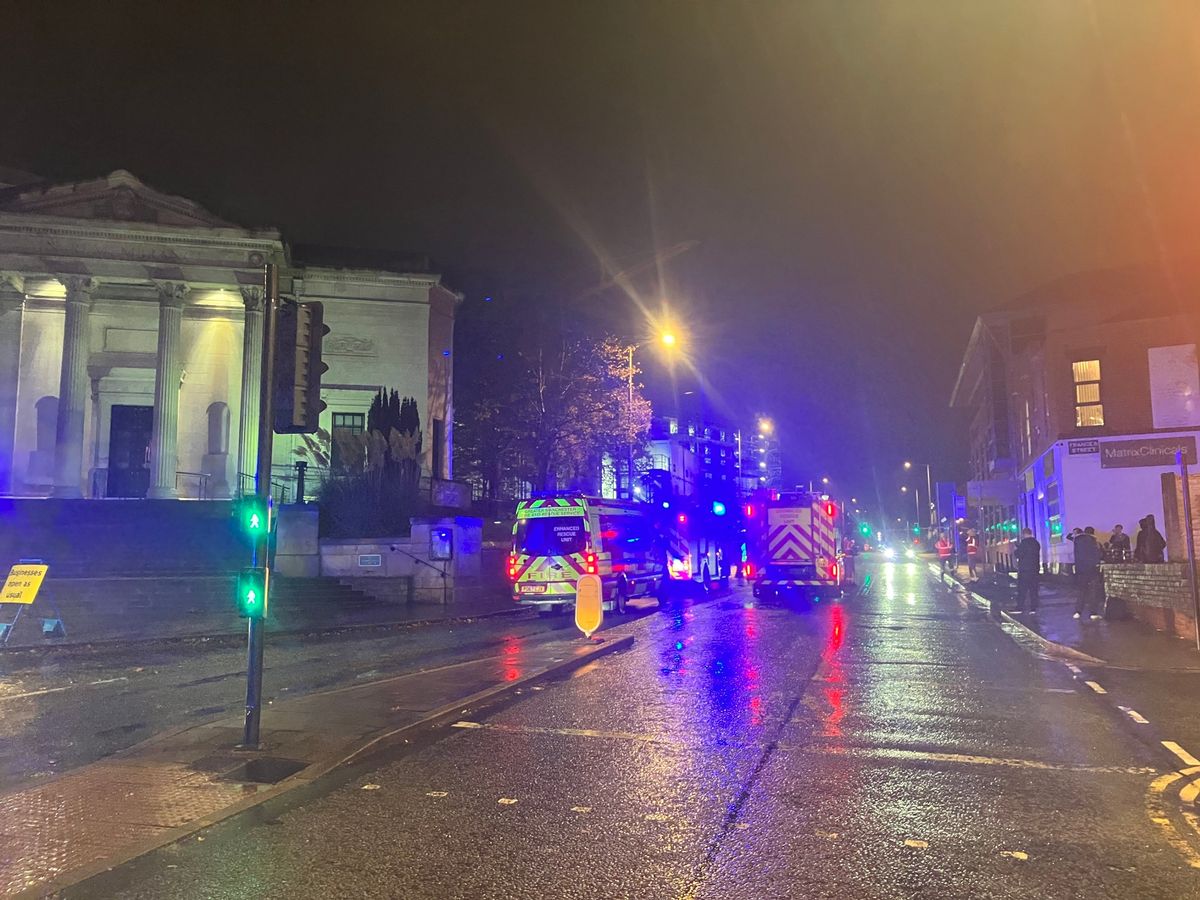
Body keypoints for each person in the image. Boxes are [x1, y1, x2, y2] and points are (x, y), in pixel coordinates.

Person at [1071, 525, 1103, 620]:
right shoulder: (1093, 542)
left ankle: (1078, 612)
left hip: (1081, 570)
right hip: (1092, 570)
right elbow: (1097, 555)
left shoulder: (1077, 541)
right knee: (1093, 591)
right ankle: (1093, 612)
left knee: (1081, 591)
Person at [1014, 527, 1041, 617]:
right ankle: (1033, 608)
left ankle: (1019, 607)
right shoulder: (1036, 543)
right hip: (1035, 569)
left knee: (1022, 589)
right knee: (1034, 589)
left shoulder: (1023, 543)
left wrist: (1016, 549)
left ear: (1024, 534)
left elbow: (1019, 554)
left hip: (1025, 570)